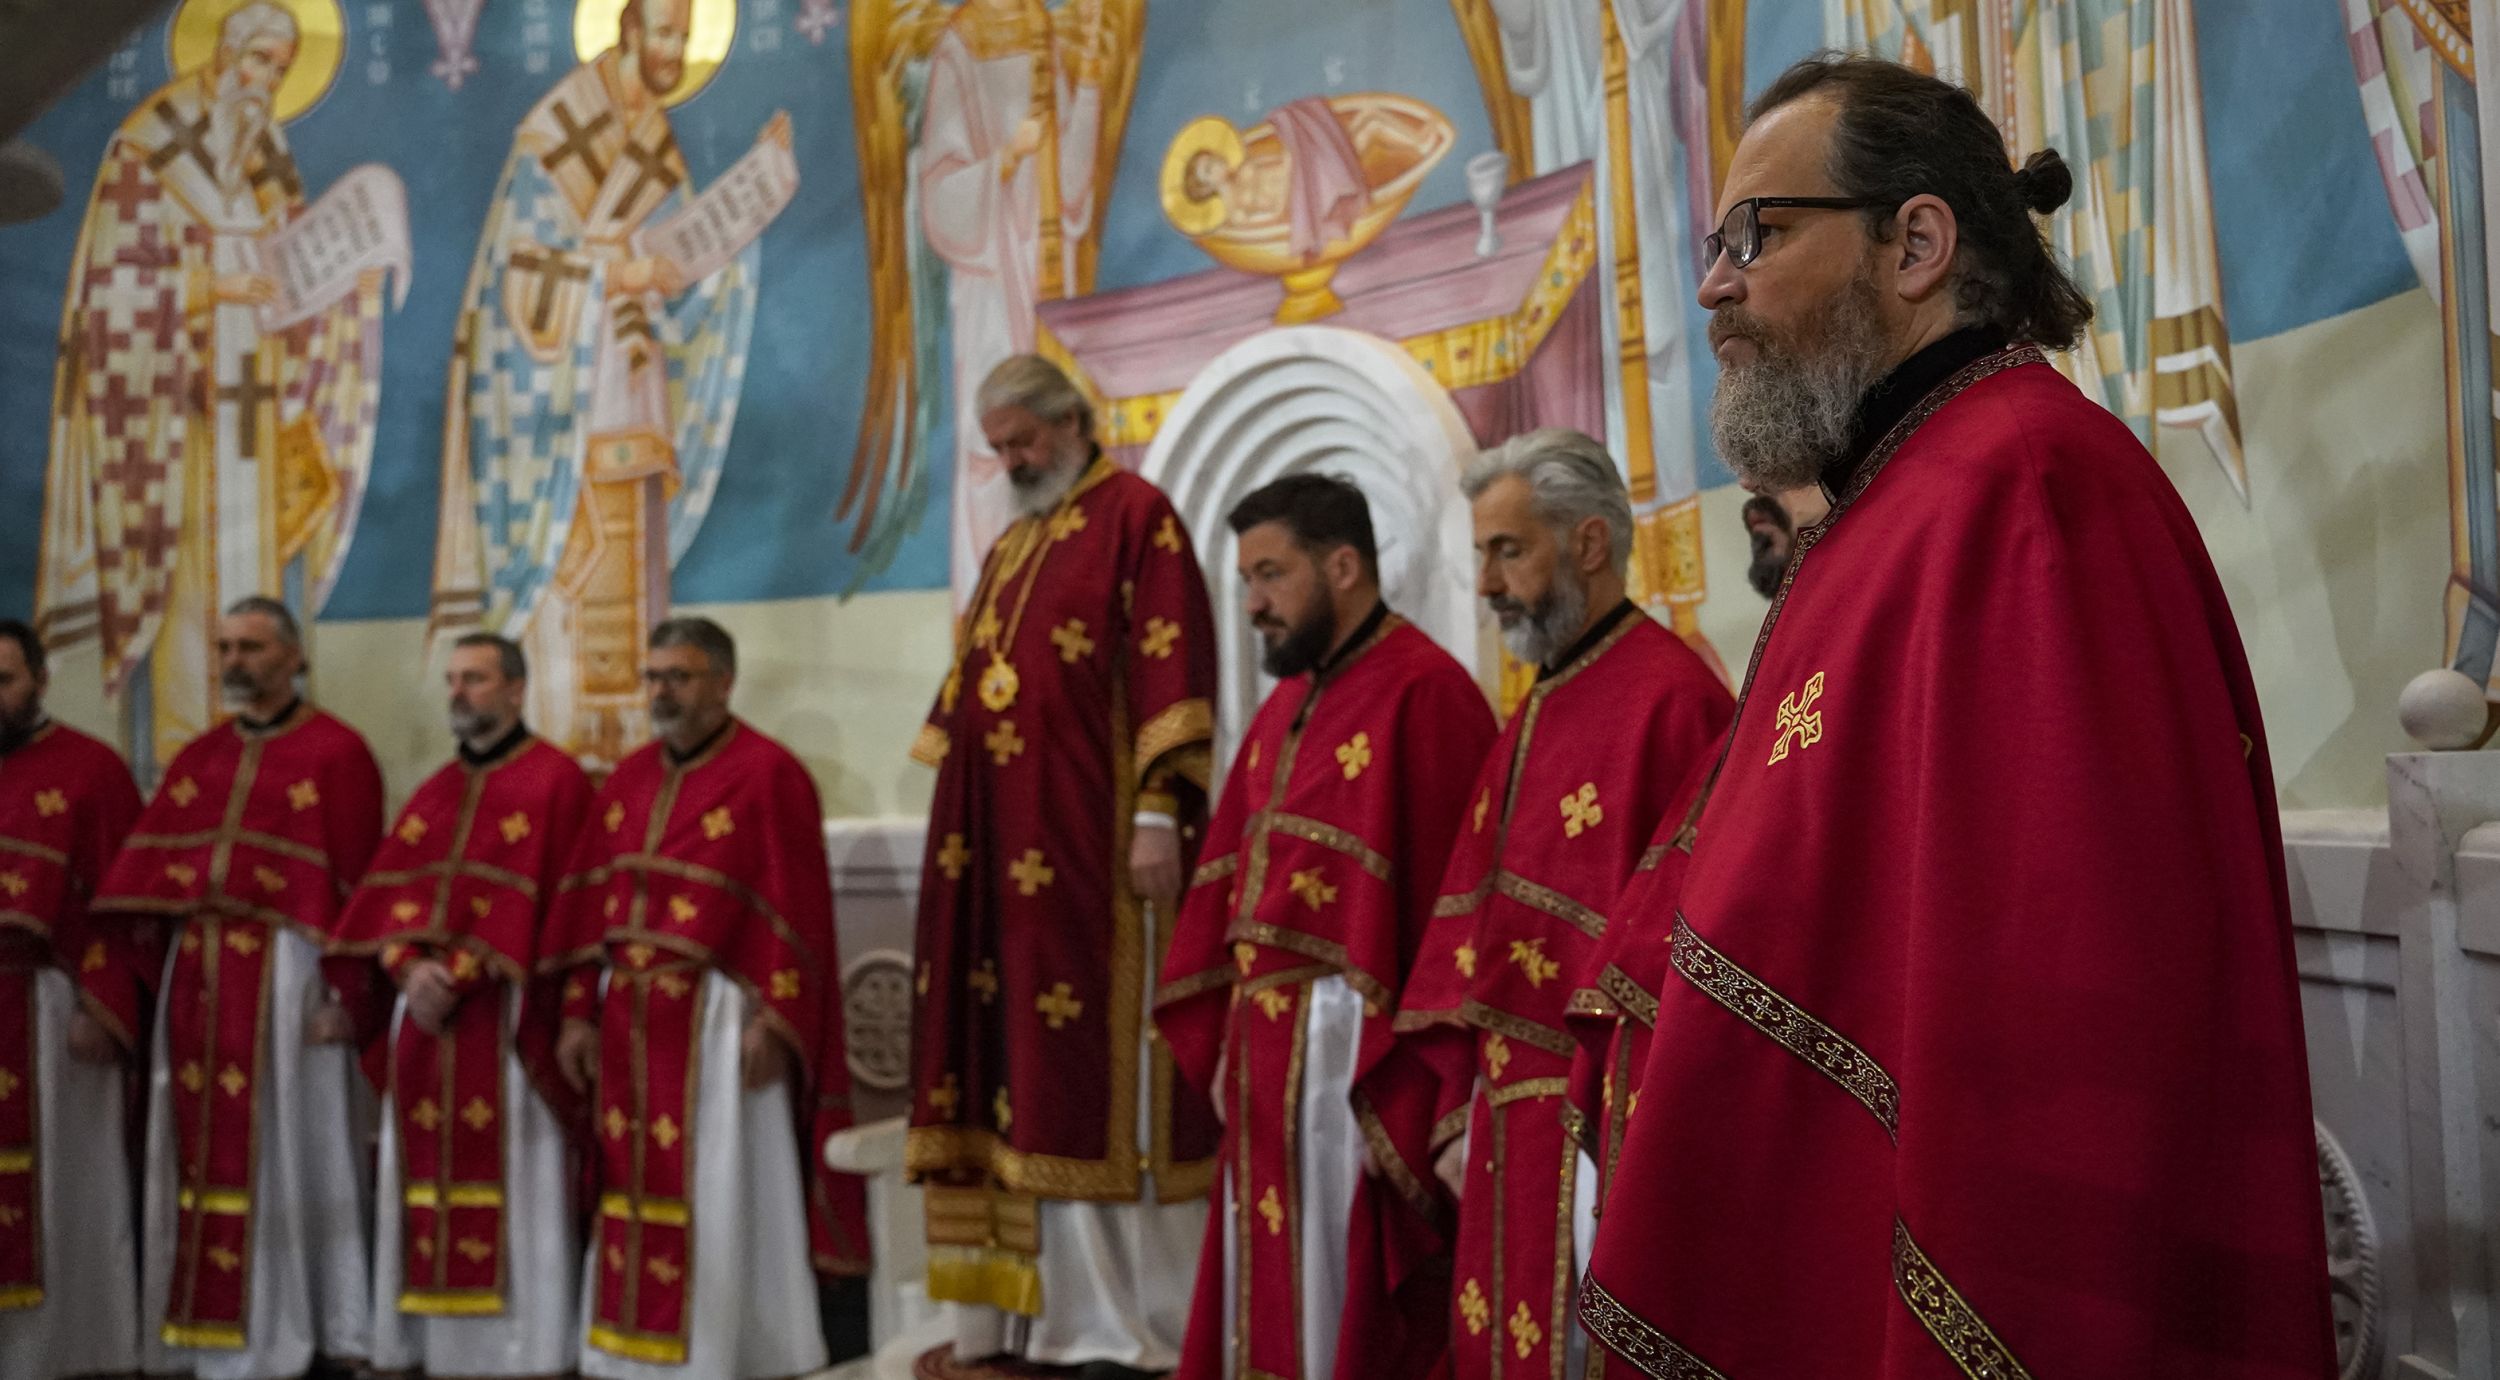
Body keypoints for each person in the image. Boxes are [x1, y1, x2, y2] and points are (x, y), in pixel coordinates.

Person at [1578, 55, 2333, 1378]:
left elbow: (2065, 1003)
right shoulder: (1901, 499)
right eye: (1714, 247)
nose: (1713, 287)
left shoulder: (2023, 489)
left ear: (1916, 243)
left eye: (1756, 235)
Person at [1391, 429, 1730, 1380]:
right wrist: (1458, 1099)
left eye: (1508, 551)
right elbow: (1478, 920)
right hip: (1508, 1109)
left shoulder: (1674, 702)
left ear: (1588, 542)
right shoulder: (1544, 697)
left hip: (1600, 1111)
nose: (1487, 583)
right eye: (1481, 555)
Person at [906, 355, 1219, 1376]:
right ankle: (1029, 1320)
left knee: (1087, 1069)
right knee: (1013, 1068)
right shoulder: (1012, 546)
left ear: (1072, 424)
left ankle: (1124, 1321)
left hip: (1096, 852)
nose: (1011, 461)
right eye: (997, 447)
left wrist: (1159, 812)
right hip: (1000, 858)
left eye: (1023, 441)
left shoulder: (1138, 518)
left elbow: (1171, 667)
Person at [1158, 474, 1497, 1380]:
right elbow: (1234, 895)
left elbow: (1455, 916)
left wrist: (1427, 1088)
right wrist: (1227, 1035)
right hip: (1266, 1053)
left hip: (1353, 1055)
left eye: (1271, 574)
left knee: (1339, 1289)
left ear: (1343, 567)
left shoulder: (1426, 692)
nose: (1253, 604)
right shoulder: (1286, 706)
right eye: (1247, 580)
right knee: (1269, 1286)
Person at [430, 0, 788, 765]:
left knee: (631, 565)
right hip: (559, 399)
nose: (675, 50)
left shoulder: (654, 138)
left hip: (634, 384)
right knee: (575, 560)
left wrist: (752, 197)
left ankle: (630, 736)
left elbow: (682, 264)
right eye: (664, 33)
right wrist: (621, 274)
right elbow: (516, 273)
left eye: (684, 36)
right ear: (628, 30)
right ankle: (566, 733)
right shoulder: (556, 131)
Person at [542, 616, 867, 1378]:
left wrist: (776, 1024)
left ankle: (727, 1353)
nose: (662, 692)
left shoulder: (769, 774)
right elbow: (588, 912)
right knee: (628, 1188)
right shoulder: (627, 780)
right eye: (653, 677)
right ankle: (627, 1360)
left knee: (722, 1189)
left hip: (718, 1024)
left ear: (724, 682)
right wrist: (577, 1015)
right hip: (627, 1026)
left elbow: (798, 918)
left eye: (679, 677)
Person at [86, 595, 386, 1373]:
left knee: (297, 1141)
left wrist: (345, 996)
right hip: (199, 975)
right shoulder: (201, 758)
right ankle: (200, 1329)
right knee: (193, 1148)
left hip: (289, 975)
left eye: (250, 647)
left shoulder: (338, 753)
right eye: (224, 648)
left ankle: (313, 1322)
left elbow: (360, 889)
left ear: (293, 657)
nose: (234, 663)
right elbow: (143, 881)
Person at [330, 633, 593, 1377]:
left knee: (521, 1182)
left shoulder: (557, 782)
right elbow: (388, 901)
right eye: (451, 679)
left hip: (508, 1020)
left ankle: (526, 1351)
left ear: (515, 688)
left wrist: (459, 974)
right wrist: (406, 966)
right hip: (424, 1022)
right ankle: (424, 1347)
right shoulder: (436, 790)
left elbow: (566, 912)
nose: (458, 692)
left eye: (474, 678)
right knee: (418, 1183)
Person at [0, 620, 144, 1377]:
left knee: (63, 1192)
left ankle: (67, 1354)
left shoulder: (92, 770)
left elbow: (123, 907)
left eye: (4, 681)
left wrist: (102, 1004)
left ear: (40, 680)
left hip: (50, 1012)